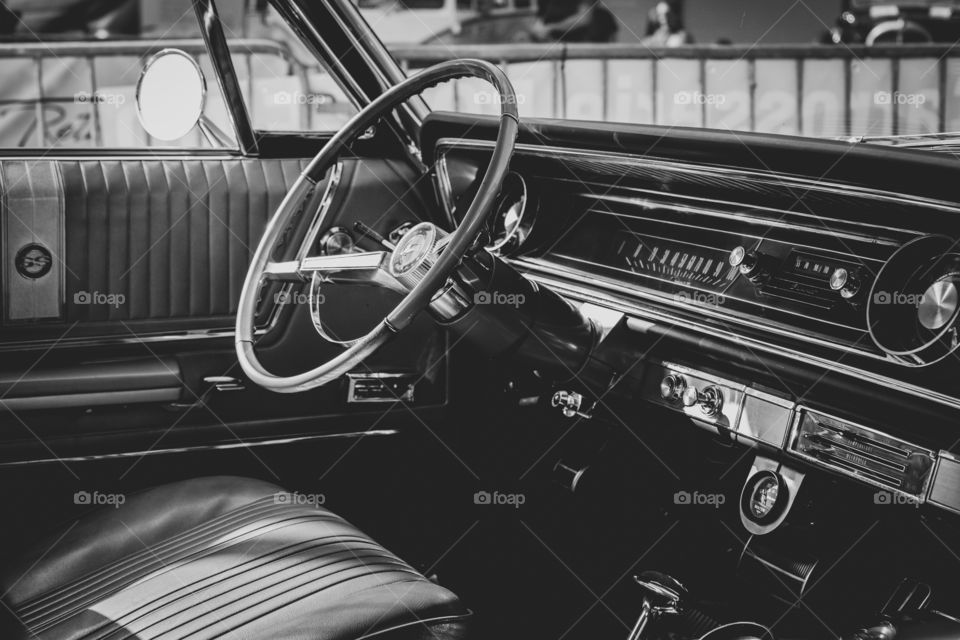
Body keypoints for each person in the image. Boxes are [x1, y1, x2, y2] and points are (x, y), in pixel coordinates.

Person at [529, 0, 617, 43]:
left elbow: (583, 18)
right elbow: (539, 23)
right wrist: (536, 31)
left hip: (584, 50)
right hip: (555, 50)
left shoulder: (603, 16)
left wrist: (550, 28)